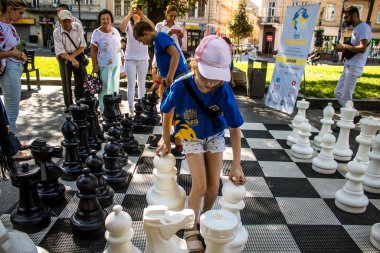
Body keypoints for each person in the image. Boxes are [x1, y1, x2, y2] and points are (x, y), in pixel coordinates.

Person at [156, 35, 246, 252]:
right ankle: (190, 227)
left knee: (215, 186)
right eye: (207, 75)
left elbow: (234, 128)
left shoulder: (223, 90)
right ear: (196, 64)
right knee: (201, 186)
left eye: (216, 78)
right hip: (191, 135)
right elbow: (166, 110)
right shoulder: (181, 86)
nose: (210, 82)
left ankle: (205, 219)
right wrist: (166, 139)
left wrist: (236, 163)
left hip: (215, 135)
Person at [133, 21, 189, 158]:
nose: (142, 43)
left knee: (170, 111)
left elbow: (175, 55)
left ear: (146, 33)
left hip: (178, 78)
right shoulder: (159, 40)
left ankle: (174, 143)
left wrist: (169, 77)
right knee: (169, 111)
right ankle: (172, 141)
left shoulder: (160, 38)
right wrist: (157, 82)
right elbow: (164, 64)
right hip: (175, 78)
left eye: (141, 40)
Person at [333, 6, 371, 123]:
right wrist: (343, 49)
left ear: (354, 15)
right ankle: (355, 115)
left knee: (346, 97)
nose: (345, 20)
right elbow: (353, 48)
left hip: (355, 66)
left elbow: (362, 48)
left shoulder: (363, 28)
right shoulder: (356, 29)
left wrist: (344, 46)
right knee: (338, 93)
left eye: (346, 17)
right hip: (348, 65)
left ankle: (346, 122)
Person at [119, 5, 154, 116]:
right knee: (131, 84)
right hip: (130, 58)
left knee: (141, 84)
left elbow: (153, 28)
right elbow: (121, 27)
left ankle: (141, 107)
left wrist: (142, 15)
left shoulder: (144, 25)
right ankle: (131, 109)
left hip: (143, 58)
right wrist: (130, 14)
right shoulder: (129, 24)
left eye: (138, 9)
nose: (136, 11)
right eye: (134, 9)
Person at [0, 0, 28, 135]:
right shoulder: (0, 26)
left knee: (13, 110)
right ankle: (11, 147)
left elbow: (12, 46)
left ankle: (12, 141)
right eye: (20, 13)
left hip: (15, 69)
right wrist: (13, 53)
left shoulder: (9, 26)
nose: (21, 16)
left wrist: (20, 54)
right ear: (10, 9)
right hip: (8, 70)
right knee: (11, 112)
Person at [53, 10, 87, 113]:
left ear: (71, 20)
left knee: (80, 80)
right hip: (64, 58)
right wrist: (71, 59)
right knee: (66, 82)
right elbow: (60, 51)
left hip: (78, 54)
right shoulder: (56, 32)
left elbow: (83, 45)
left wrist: (73, 58)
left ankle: (80, 101)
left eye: (69, 21)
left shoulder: (78, 27)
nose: (67, 24)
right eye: (64, 21)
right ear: (59, 21)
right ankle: (68, 105)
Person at [90, 9, 121, 113]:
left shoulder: (115, 31)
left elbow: (119, 49)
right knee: (104, 88)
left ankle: (114, 109)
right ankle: (104, 111)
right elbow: (93, 50)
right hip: (103, 65)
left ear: (111, 20)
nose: (105, 21)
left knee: (114, 87)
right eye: (103, 19)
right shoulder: (97, 33)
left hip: (116, 64)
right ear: (100, 20)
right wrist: (95, 65)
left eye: (107, 18)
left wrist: (122, 67)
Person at [151, 3, 185, 95]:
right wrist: (168, 34)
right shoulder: (159, 25)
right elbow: (156, 40)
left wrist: (181, 37)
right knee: (162, 78)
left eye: (175, 16)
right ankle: (162, 100)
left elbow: (180, 45)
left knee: (173, 78)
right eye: (171, 16)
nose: (173, 18)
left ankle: (171, 101)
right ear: (166, 14)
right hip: (163, 54)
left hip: (175, 53)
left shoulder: (177, 27)